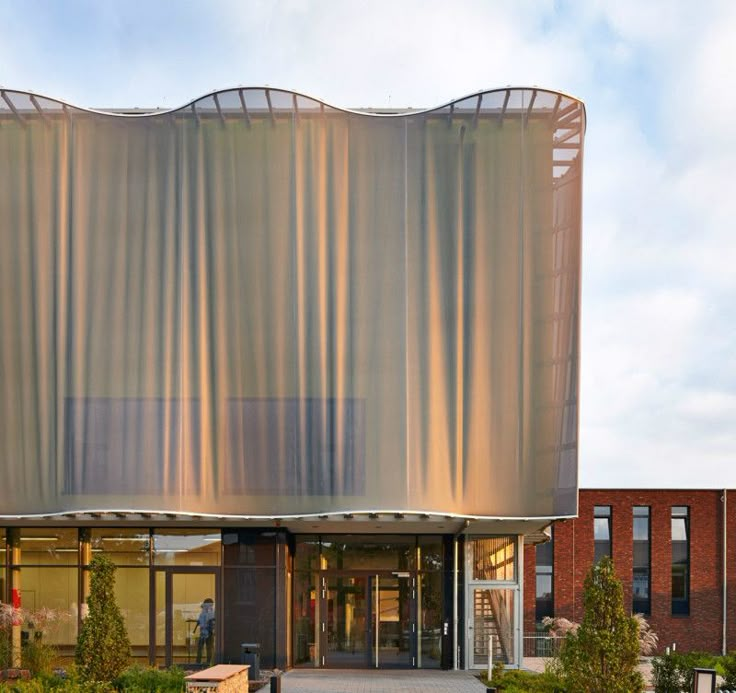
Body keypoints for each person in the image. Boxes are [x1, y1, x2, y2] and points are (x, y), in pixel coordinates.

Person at [194, 598, 215, 665]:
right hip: (203, 632)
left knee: (208, 647)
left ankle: (208, 661)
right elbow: (201, 620)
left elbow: (211, 621)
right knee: (201, 647)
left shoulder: (211, 612)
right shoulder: (203, 612)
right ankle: (198, 661)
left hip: (209, 632)